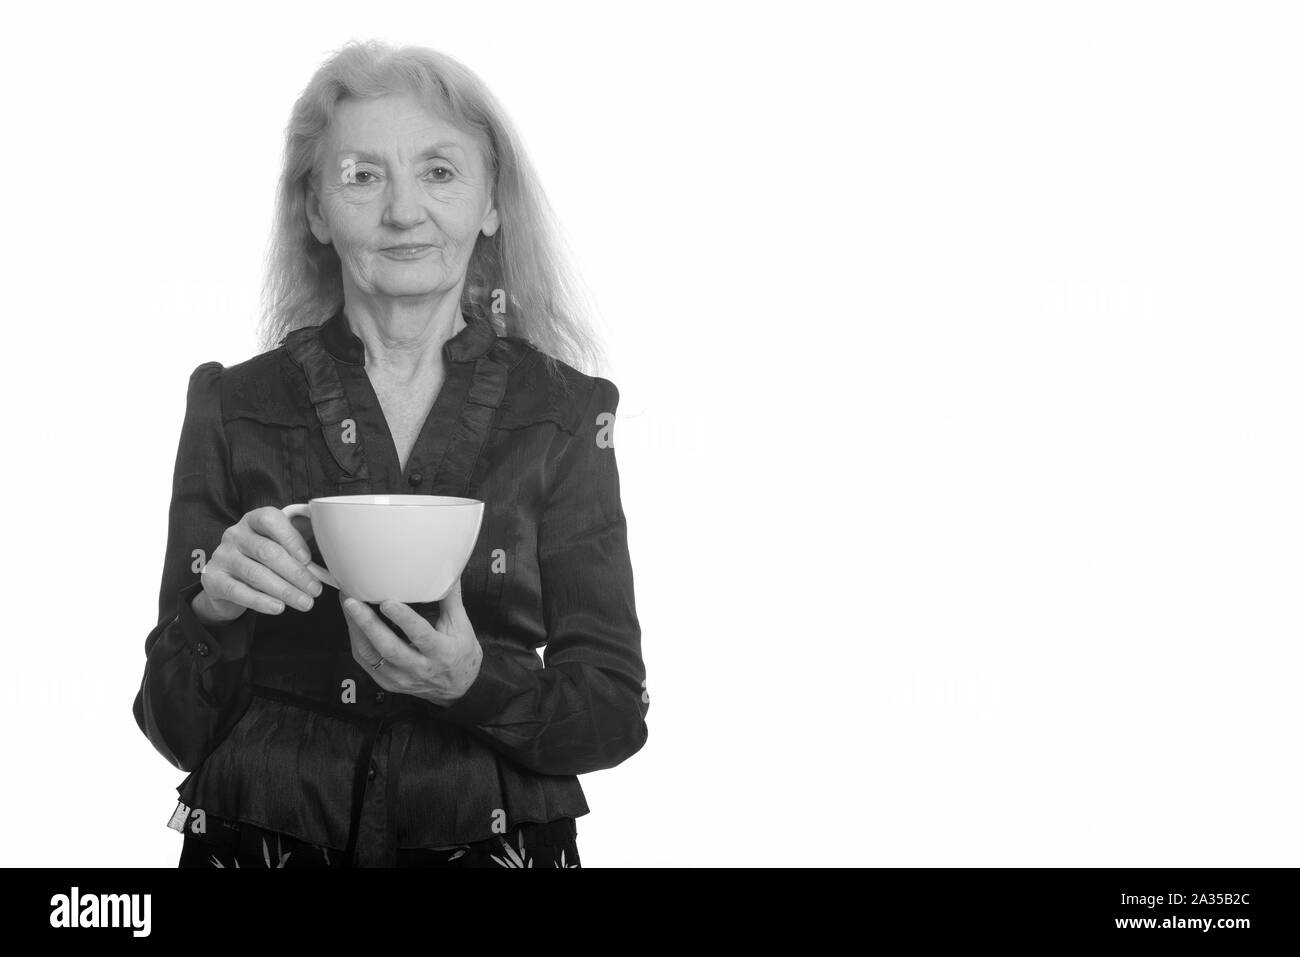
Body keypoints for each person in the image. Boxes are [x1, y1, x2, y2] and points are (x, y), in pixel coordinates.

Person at [132, 39, 649, 868]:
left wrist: (472, 681)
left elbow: (615, 710)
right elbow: (172, 724)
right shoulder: (232, 406)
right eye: (363, 176)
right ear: (314, 210)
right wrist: (214, 613)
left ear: (490, 204)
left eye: (440, 171)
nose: (404, 211)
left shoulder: (565, 415)